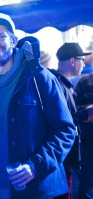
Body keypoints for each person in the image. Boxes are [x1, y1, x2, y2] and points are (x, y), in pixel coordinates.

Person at [0, 12, 76, 199]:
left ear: (13, 40)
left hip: (34, 187)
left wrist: (35, 165)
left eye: (2, 36)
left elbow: (65, 131)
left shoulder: (39, 78)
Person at [50, 42, 92, 199]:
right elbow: (59, 121)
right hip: (63, 159)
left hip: (65, 158)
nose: (85, 63)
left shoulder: (63, 84)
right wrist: (85, 114)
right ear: (73, 61)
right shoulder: (58, 85)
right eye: (82, 59)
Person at [74, 73, 93, 199]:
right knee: (87, 187)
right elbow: (71, 110)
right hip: (89, 143)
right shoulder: (85, 81)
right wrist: (87, 111)